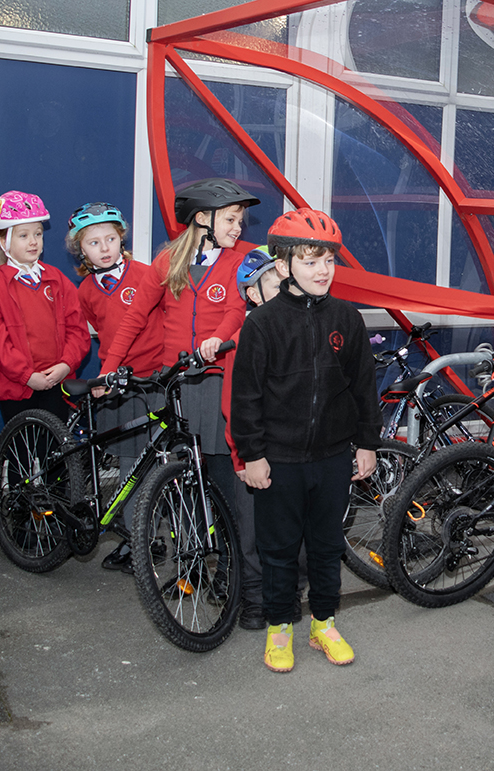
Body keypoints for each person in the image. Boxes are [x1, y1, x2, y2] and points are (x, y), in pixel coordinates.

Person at [229, 207, 382, 673]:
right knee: (277, 548)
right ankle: (279, 627)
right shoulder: (262, 324)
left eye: (328, 261)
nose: (322, 271)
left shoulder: (347, 319)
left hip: (333, 456)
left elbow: (362, 388)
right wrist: (252, 454)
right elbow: (247, 396)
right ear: (283, 266)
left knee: (326, 544)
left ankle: (323, 623)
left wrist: (367, 443)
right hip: (279, 459)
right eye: (311, 260)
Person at [99, 178, 259, 511]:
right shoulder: (168, 261)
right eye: (231, 219)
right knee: (178, 468)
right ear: (202, 218)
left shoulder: (236, 263)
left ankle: (228, 551)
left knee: (218, 467)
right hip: (174, 381)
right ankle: (189, 538)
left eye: (240, 221)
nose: (238, 227)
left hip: (215, 377)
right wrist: (108, 368)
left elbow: (235, 310)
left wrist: (218, 339)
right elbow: (134, 318)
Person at [67, 201, 165, 572]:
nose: (104, 247)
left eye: (110, 238)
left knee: (159, 460)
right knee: (130, 463)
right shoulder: (85, 291)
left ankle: (154, 530)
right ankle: (137, 538)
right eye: (94, 243)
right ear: (81, 250)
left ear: (121, 239)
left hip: (153, 378)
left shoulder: (145, 275)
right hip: (117, 385)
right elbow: (101, 331)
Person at [222, 245, 307, 631]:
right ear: (253, 294)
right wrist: (242, 459)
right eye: (277, 285)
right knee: (253, 534)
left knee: (295, 531)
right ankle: (255, 598)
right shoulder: (245, 338)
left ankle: (288, 595)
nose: (288, 291)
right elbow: (233, 405)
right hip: (256, 453)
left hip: (298, 454)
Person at [0, 190, 89, 423]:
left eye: (38, 234)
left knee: (57, 452)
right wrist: (26, 375)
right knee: (23, 448)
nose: (33, 241)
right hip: (17, 386)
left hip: (56, 381)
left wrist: (65, 365)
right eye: (23, 236)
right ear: (3, 241)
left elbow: (78, 330)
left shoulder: (57, 279)